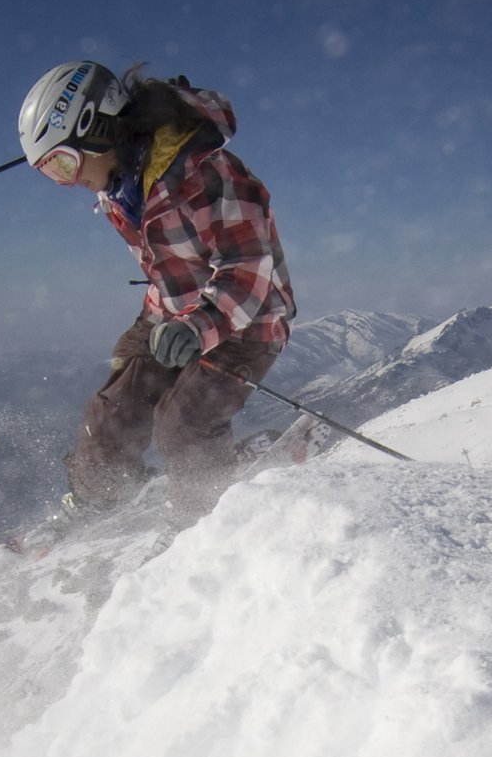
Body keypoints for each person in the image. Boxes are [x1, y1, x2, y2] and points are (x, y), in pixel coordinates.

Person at [17, 60, 296, 524]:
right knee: (113, 412)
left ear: (96, 128)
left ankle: (203, 525)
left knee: (184, 426)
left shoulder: (202, 174)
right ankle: (97, 500)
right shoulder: (123, 184)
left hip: (249, 319)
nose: (66, 182)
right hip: (175, 315)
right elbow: (170, 264)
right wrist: (161, 324)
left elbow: (250, 265)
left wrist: (198, 326)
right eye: (50, 172)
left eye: (63, 163)